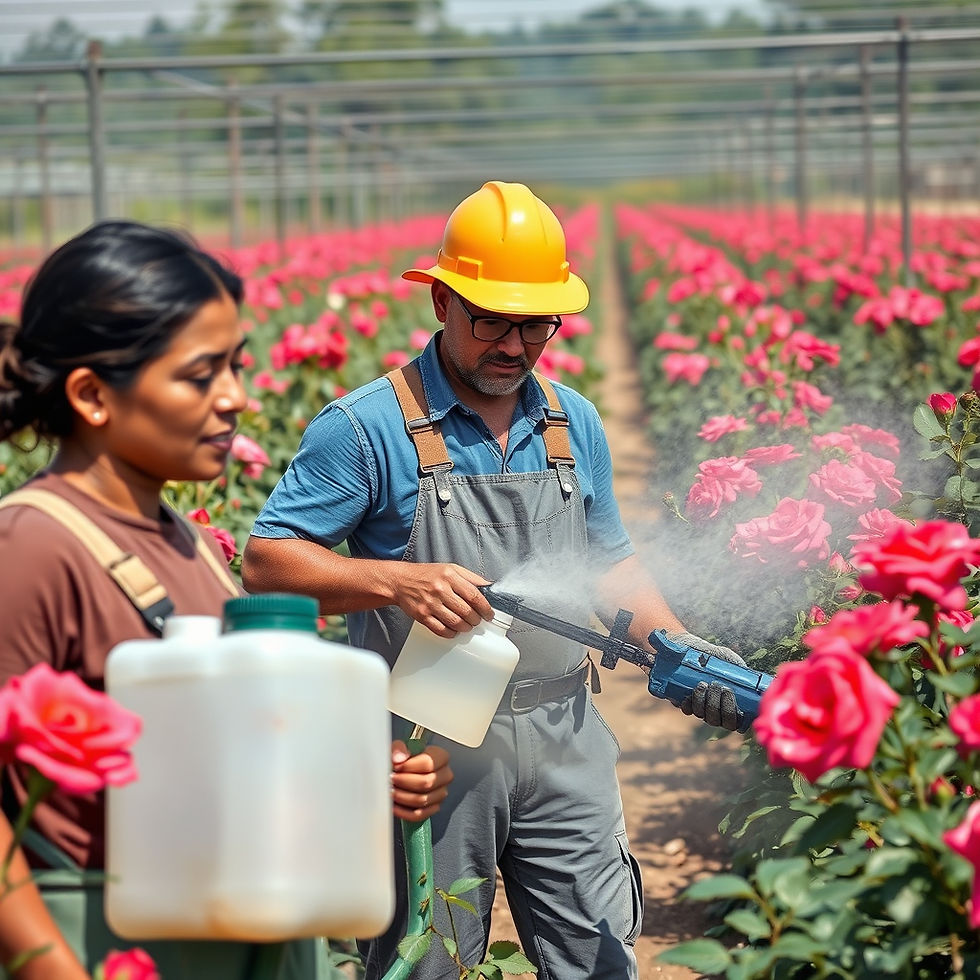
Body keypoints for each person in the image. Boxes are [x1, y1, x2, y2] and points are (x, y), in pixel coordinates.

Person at [242, 180, 747, 980]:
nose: (515, 345)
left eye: (537, 323)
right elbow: (268, 560)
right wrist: (395, 584)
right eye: (492, 322)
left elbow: (609, 562)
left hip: (563, 734)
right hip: (429, 749)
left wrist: (679, 646)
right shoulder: (363, 427)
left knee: (601, 958)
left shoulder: (572, 421)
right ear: (441, 300)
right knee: (428, 960)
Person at [0, 220, 452, 980]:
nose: (235, 399)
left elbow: (207, 759)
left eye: (236, 368)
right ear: (92, 396)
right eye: (200, 374)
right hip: (114, 950)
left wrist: (362, 776)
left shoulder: (191, 546)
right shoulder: (35, 549)